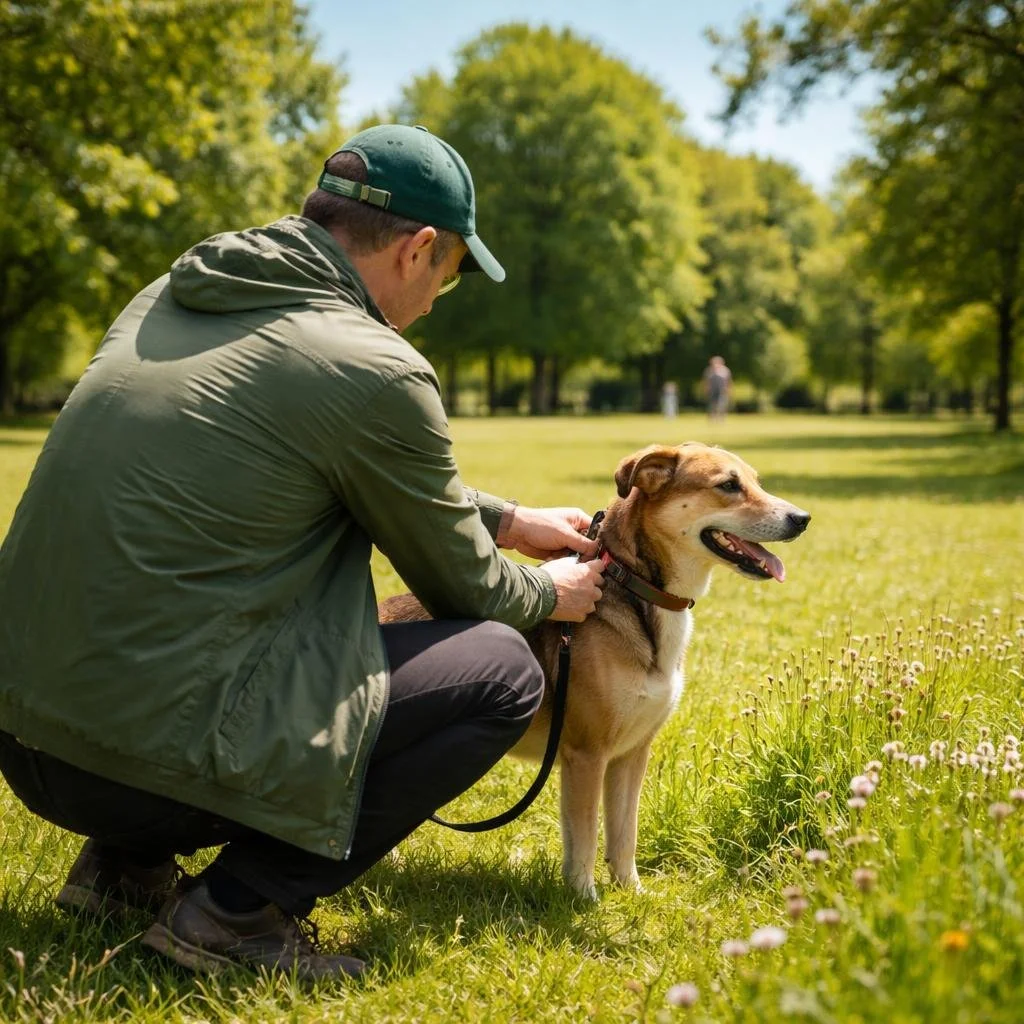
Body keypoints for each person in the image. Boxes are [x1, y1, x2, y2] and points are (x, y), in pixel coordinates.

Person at [0, 124, 606, 981]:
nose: (441, 297)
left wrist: (505, 516)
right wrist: (549, 592)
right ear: (419, 249)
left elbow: (286, 462)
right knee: (501, 670)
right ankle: (239, 914)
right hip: (135, 765)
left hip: (26, 730)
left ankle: (123, 870)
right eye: (453, 272)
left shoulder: (176, 293)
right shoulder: (377, 366)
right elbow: (465, 586)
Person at [702, 355, 733, 422]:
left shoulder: (725, 370)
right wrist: (706, 389)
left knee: (722, 405)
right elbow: (706, 381)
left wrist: (728, 389)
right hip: (712, 391)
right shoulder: (709, 370)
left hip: (722, 391)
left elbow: (729, 381)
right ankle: (712, 419)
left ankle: (721, 419)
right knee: (712, 405)